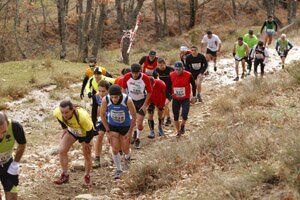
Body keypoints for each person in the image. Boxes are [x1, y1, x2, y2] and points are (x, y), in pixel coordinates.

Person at [53, 100, 95, 186]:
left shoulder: (82, 116)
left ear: (72, 109)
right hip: (73, 131)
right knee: (62, 150)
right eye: (62, 112)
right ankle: (65, 175)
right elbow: (59, 119)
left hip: (86, 133)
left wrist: (87, 142)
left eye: (67, 112)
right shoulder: (57, 112)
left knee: (87, 154)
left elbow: (90, 131)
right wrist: (64, 128)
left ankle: (87, 175)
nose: (64, 115)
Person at [100, 85, 136, 179]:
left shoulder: (128, 100)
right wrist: (107, 130)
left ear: (120, 95)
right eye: (112, 97)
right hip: (113, 126)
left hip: (125, 126)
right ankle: (119, 170)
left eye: (116, 97)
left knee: (125, 149)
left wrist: (130, 132)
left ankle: (127, 161)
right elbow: (102, 115)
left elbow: (134, 116)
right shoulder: (105, 100)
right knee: (115, 149)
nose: (114, 99)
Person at [121, 63, 152, 149]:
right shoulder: (127, 77)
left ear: (140, 72)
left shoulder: (145, 78)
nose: (134, 75)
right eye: (133, 73)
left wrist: (145, 105)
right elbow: (123, 88)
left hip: (141, 101)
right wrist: (126, 99)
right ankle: (132, 134)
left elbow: (149, 92)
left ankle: (138, 138)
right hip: (131, 101)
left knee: (139, 123)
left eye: (136, 73)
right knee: (131, 121)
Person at [0, 112, 26, 200]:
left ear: (7, 123)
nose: (1, 136)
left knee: (12, 197)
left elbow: (22, 144)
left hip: (8, 163)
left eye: (4, 132)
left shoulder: (15, 126)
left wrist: (15, 163)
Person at [170, 61, 197, 137]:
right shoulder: (171, 75)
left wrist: (194, 96)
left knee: (184, 115)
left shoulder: (188, 75)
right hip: (175, 98)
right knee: (176, 116)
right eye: (176, 69)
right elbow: (168, 86)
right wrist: (168, 97)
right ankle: (178, 131)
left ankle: (182, 125)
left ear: (183, 68)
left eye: (179, 69)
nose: (177, 71)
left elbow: (193, 85)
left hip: (185, 98)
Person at [93, 80, 110, 168]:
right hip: (103, 118)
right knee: (100, 135)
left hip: (112, 119)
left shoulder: (113, 97)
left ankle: (120, 152)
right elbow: (98, 107)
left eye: (103, 91)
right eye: (99, 91)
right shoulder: (97, 97)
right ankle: (97, 158)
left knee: (112, 137)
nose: (101, 93)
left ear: (108, 91)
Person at [155, 58, 174, 126]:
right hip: (161, 90)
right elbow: (154, 80)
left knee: (165, 104)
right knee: (162, 105)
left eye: (162, 65)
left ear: (165, 64)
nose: (161, 67)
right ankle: (167, 118)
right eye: (159, 65)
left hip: (169, 89)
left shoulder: (170, 69)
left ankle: (164, 118)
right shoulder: (156, 70)